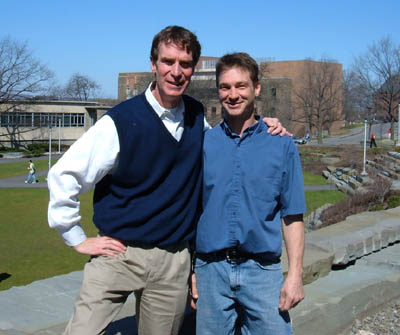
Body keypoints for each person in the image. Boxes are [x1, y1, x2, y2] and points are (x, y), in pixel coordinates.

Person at [47, 26, 286, 335]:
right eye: (167, 62)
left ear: (194, 68)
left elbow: (227, 142)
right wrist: (76, 237)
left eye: (184, 64)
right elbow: (64, 174)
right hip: (119, 253)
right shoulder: (120, 121)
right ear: (153, 64)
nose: (176, 72)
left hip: (173, 261)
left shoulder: (196, 117)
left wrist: (264, 126)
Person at [190, 53, 306, 335]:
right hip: (211, 272)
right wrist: (191, 271)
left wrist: (295, 274)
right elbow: (192, 212)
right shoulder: (204, 144)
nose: (232, 95)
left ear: (256, 89)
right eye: (225, 87)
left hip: (262, 272)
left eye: (241, 86)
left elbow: (292, 215)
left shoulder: (281, 145)